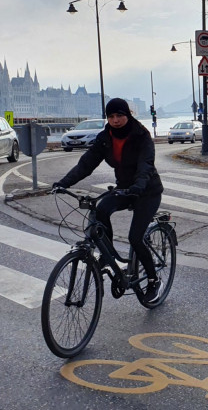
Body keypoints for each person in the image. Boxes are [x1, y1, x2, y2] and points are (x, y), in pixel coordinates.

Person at [53, 98, 166, 302]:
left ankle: (153, 280)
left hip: (147, 191)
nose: (115, 120)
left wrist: (138, 187)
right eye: (111, 116)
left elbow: (146, 164)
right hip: (124, 189)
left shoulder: (141, 135)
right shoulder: (105, 138)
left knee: (135, 237)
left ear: (127, 115)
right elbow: (86, 163)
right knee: (101, 209)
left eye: (119, 115)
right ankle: (108, 254)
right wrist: (64, 183)